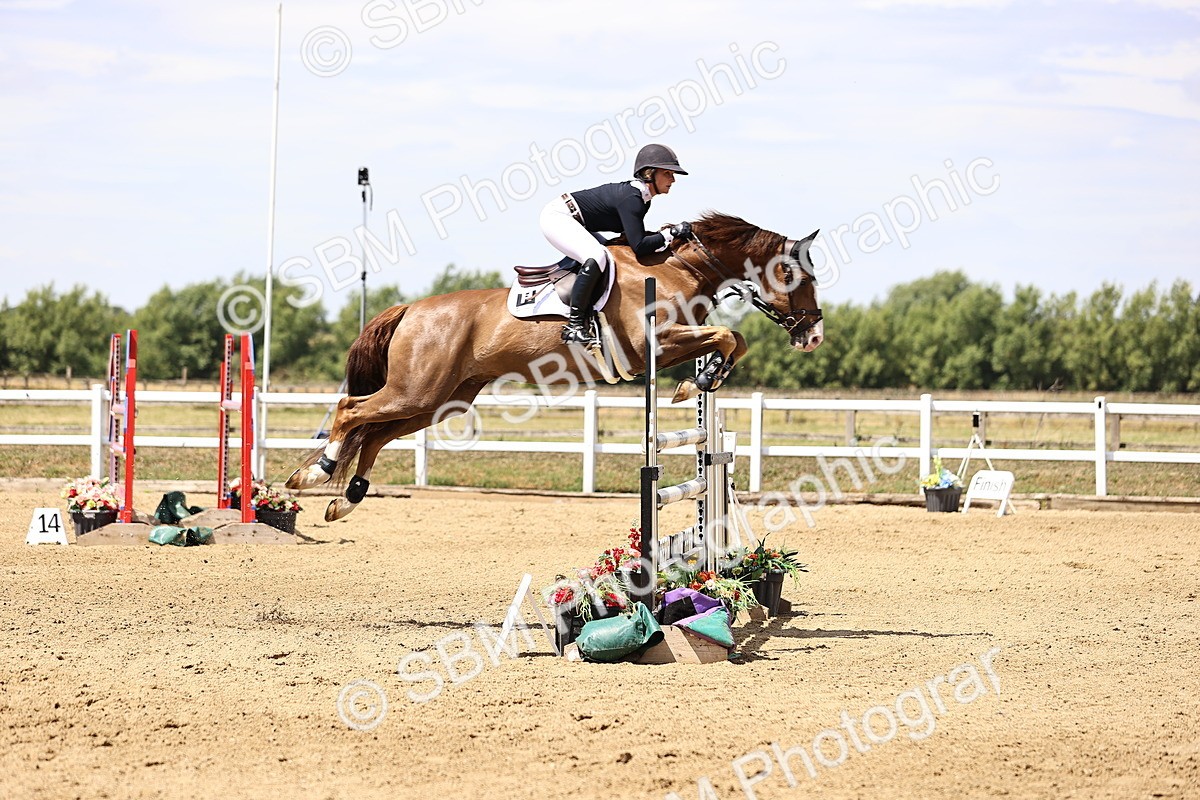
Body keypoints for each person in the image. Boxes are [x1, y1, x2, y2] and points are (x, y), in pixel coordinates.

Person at [540, 143, 693, 345]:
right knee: (597, 256)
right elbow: (639, 245)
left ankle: (592, 315)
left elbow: (633, 240)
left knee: (611, 256)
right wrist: (671, 233)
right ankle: (574, 325)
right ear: (649, 173)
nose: (673, 179)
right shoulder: (633, 198)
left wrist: (665, 237)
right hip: (558, 217)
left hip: (577, 221)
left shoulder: (641, 198)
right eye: (668, 173)